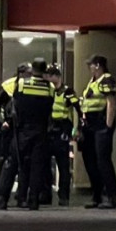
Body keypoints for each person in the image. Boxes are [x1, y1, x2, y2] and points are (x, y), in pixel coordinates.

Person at [6, 64, 55, 211]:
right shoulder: (50, 87)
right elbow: (49, 106)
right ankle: (34, 200)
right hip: (41, 129)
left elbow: (17, 103)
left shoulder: (21, 83)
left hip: (24, 129)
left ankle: (18, 198)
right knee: (37, 166)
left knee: (20, 164)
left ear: (32, 70)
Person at [0, 64, 32, 210]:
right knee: (3, 160)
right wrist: (1, 122)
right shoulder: (9, 86)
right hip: (10, 129)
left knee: (24, 163)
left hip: (25, 129)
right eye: (27, 73)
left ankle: (21, 196)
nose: (30, 75)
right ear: (20, 73)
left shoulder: (33, 86)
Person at [80, 55, 116, 209]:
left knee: (103, 160)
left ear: (97, 65)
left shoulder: (106, 79)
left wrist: (108, 126)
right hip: (89, 125)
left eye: (91, 65)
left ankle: (111, 197)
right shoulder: (92, 82)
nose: (89, 68)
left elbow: (111, 102)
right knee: (90, 160)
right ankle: (96, 195)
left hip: (100, 123)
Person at [47, 65, 81, 207]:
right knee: (45, 164)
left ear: (57, 77)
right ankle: (46, 194)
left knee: (63, 165)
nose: (49, 80)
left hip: (62, 130)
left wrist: (76, 129)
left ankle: (64, 196)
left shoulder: (68, 92)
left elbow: (78, 109)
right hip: (49, 129)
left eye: (50, 76)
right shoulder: (48, 91)